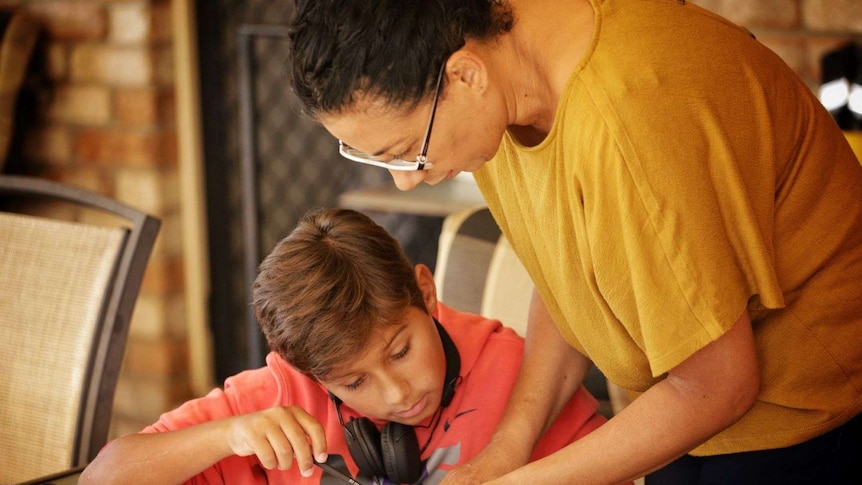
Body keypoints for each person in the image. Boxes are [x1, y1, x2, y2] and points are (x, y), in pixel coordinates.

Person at [286, 0, 862, 483]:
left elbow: (718, 386)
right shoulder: (495, 80)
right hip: (700, 411)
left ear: (465, 76)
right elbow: (569, 272)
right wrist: (507, 452)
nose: (407, 178)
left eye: (406, 151)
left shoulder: (626, 123)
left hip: (809, 413)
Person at [79, 208, 608, 485]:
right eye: (354, 383)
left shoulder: (521, 373)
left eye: (401, 351)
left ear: (426, 293)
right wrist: (229, 434)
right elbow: (101, 479)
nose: (397, 393)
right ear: (311, 373)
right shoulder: (279, 398)